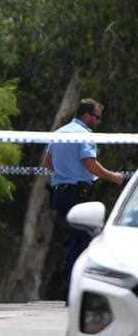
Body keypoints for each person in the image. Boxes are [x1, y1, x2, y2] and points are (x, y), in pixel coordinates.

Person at [44, 98, 124, 299]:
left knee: (71, 241)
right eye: (96, 118)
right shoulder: (84, 134)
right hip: (77, 194)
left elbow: (48, 163)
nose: (98, 122)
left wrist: (65, 171)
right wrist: (113, 177)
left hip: (60, 193)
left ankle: (69, 289)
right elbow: (89, 163)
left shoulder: (59, 133)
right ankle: (75, 292)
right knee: (80, 243)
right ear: (86, 115)